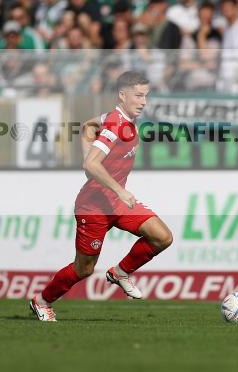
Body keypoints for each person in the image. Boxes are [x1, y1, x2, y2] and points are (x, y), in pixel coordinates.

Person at [29, 71, 174, 322]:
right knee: (83, 268)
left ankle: (120, 272)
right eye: (138, 96)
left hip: (116, 202)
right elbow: (92, 165)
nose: (143, 102)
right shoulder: (116, 125)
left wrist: (113, 188)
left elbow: (87, 126)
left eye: (146, 96)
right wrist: (118, 188)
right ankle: (41, 301)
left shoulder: (118, 118)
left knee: (162, 237)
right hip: (94, 206)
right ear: (122, 95)